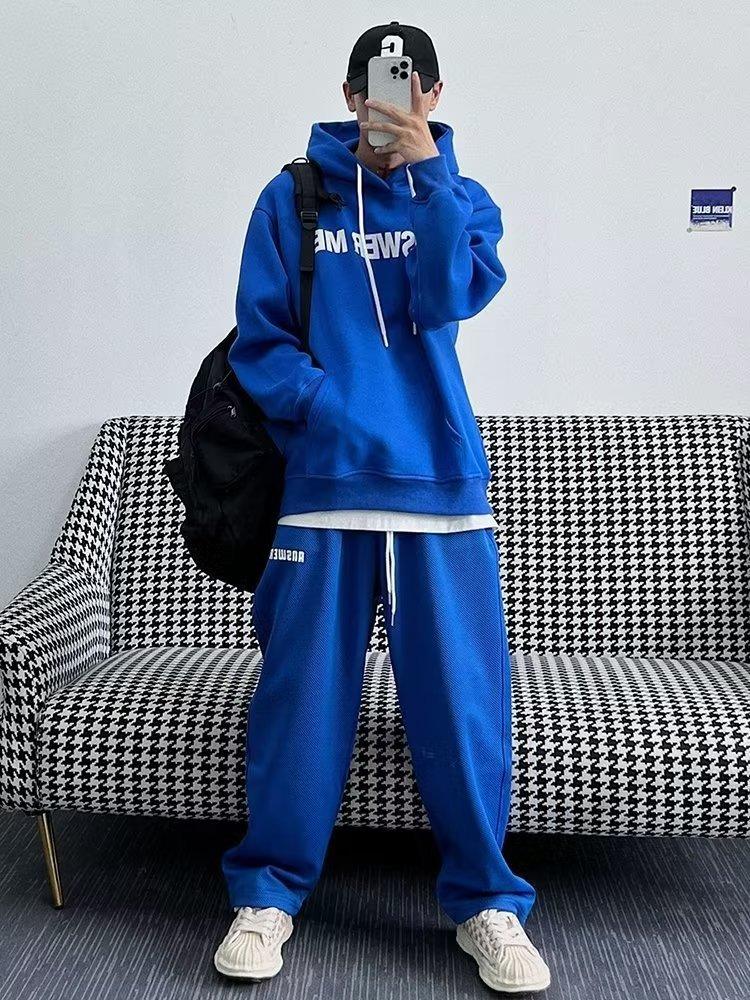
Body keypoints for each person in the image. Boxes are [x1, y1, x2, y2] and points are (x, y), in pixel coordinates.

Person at [213, 21, 551, 994]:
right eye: (373, 84)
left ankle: (486, 903)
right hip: (323, 491)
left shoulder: (464, 199)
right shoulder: (292, 196)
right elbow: (261, 343)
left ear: (431, 96)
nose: (387, 100)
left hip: (441, 489)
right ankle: (268, 894)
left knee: (464, 707)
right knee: (300, 705)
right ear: (351, 94)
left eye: (406, 85)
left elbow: (449, 298)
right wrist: (333, 412)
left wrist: (429, 175)